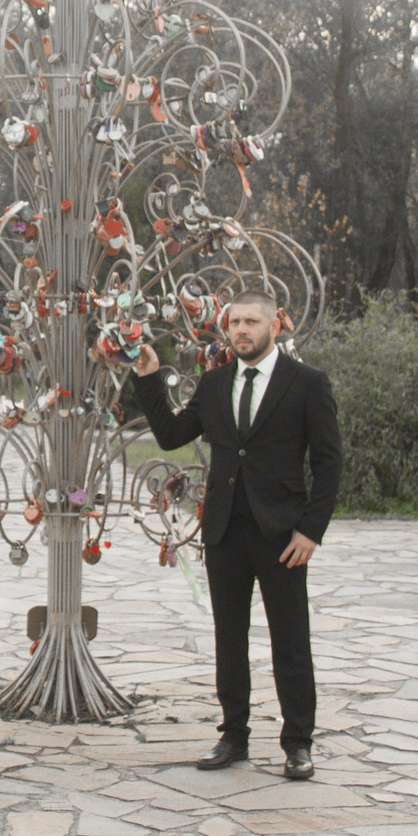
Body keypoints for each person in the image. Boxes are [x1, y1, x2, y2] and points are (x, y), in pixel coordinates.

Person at [127, 292, 341, 780]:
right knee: (230, 638)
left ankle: (298, 743)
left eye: (250, 321)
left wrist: (311, 530)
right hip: (224, 530)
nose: (241, 329)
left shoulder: (306, 384)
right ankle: (234, 737)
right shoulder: (216, 380)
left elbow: (329, 463)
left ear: (273, 327)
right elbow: (171, 435)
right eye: (235, 322)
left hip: (283, 534)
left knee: (290, 640)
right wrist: (148, 378)